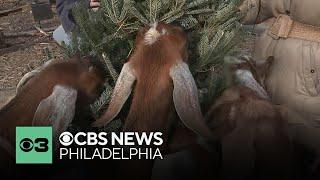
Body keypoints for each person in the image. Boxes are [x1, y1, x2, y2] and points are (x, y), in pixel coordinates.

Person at [239, 0, 320, 172]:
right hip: (265, 62)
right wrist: (225, 11)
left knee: (304, 151)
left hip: (308, 73)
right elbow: (259, 6)